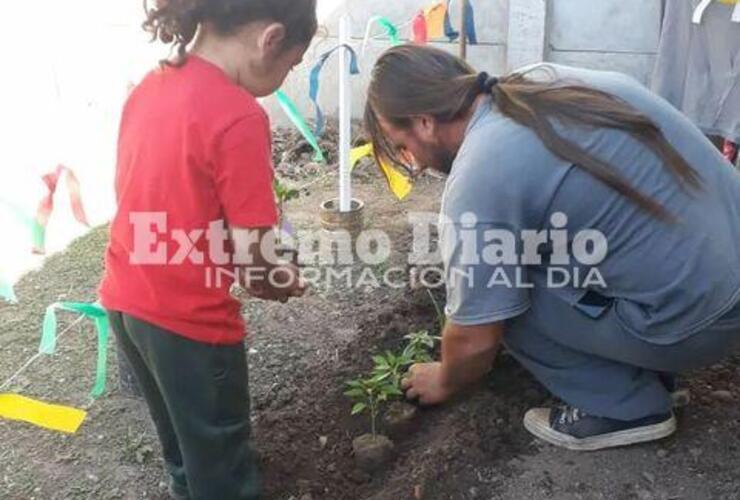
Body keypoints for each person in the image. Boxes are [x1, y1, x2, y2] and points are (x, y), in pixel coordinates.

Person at [365, 45, 740, 451]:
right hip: (721, 275)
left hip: (701, 324)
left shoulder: (481, 173)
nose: (413, 163)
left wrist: (445, 377)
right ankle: (648, 362)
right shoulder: (542, 82)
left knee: (506, 297)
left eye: (400, 145)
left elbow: (475, 338)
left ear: (424, 123)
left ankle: (628, 406)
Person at [100, 1, 316, 498]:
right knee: (223, 469)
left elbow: (157, 202)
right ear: (271, 39)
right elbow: (254, 259)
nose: (286, 76)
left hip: (127, 302)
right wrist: (280, 279)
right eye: (292, 64)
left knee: (184, 453)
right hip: (191, 328)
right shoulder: (238, 115)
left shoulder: (149, 87)